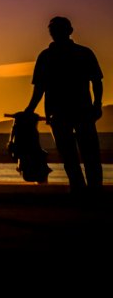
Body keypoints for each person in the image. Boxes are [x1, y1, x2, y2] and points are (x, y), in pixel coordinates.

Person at [25, 16, 104, 196]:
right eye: (52, 30)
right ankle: (80, 189)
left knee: (87, 152)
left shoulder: (83, 53)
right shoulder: (46, 56)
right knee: (71, 154)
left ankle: (92, 190)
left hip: (81, 111)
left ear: (69, 31)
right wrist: (30, 109)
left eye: (58, 29)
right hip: (60, 113)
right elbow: (40, 88)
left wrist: (97, 104)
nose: (55, 33)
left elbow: (96, 81)